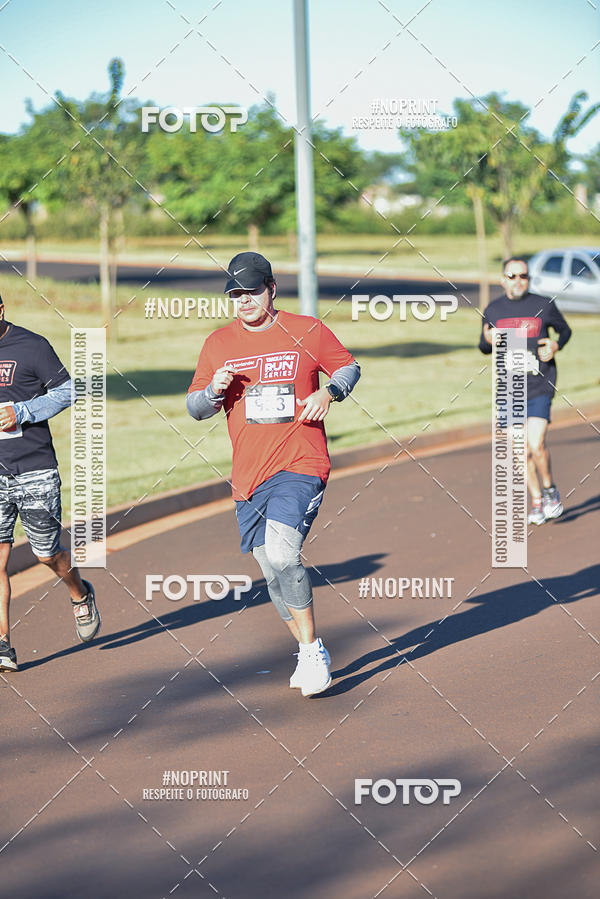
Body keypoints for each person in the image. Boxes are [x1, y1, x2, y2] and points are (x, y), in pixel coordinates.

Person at [187, 252, 360, 696]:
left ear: (271, 288)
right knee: (270, 571)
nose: (244, 301)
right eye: (235, 294)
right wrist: (214, 390)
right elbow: (195, 409)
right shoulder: (217, 344)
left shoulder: (306, 330)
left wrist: (330, 392)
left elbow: (348, 365)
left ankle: (311, 653)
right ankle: (309, 647)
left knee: (284, 556)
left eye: (251, 291)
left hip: (301, 463)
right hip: (248, 476)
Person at [0, 297, 100, 672]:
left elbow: (68, 391)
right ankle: (3, 645)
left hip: (34, 469)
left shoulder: (32, 346)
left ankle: (79, 591)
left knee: (45, 554)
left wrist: (21, 411)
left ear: (1, 310)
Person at [479, 257, 572, 525]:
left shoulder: (543, 304)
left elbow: (565, 332)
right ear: (502, 280)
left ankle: (550, 489)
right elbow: (484, 346)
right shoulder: (493, 310)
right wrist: (487, 340)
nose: (518, 281)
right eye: (512, 276)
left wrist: (555, 346)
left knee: (537, 444)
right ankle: (536, 500)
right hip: (509, 389)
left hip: (540, 384)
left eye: (524, 276)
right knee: (521, 451)